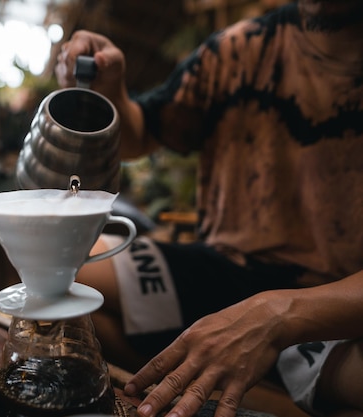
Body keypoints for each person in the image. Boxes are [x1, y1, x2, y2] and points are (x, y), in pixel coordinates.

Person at [55, 1, 363, 416]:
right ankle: (191, 383)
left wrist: (278, 314)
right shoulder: (239, 49)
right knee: (58, 265)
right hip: (221, 272)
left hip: (335, 304)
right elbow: (138, 135)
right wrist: (109, 89)